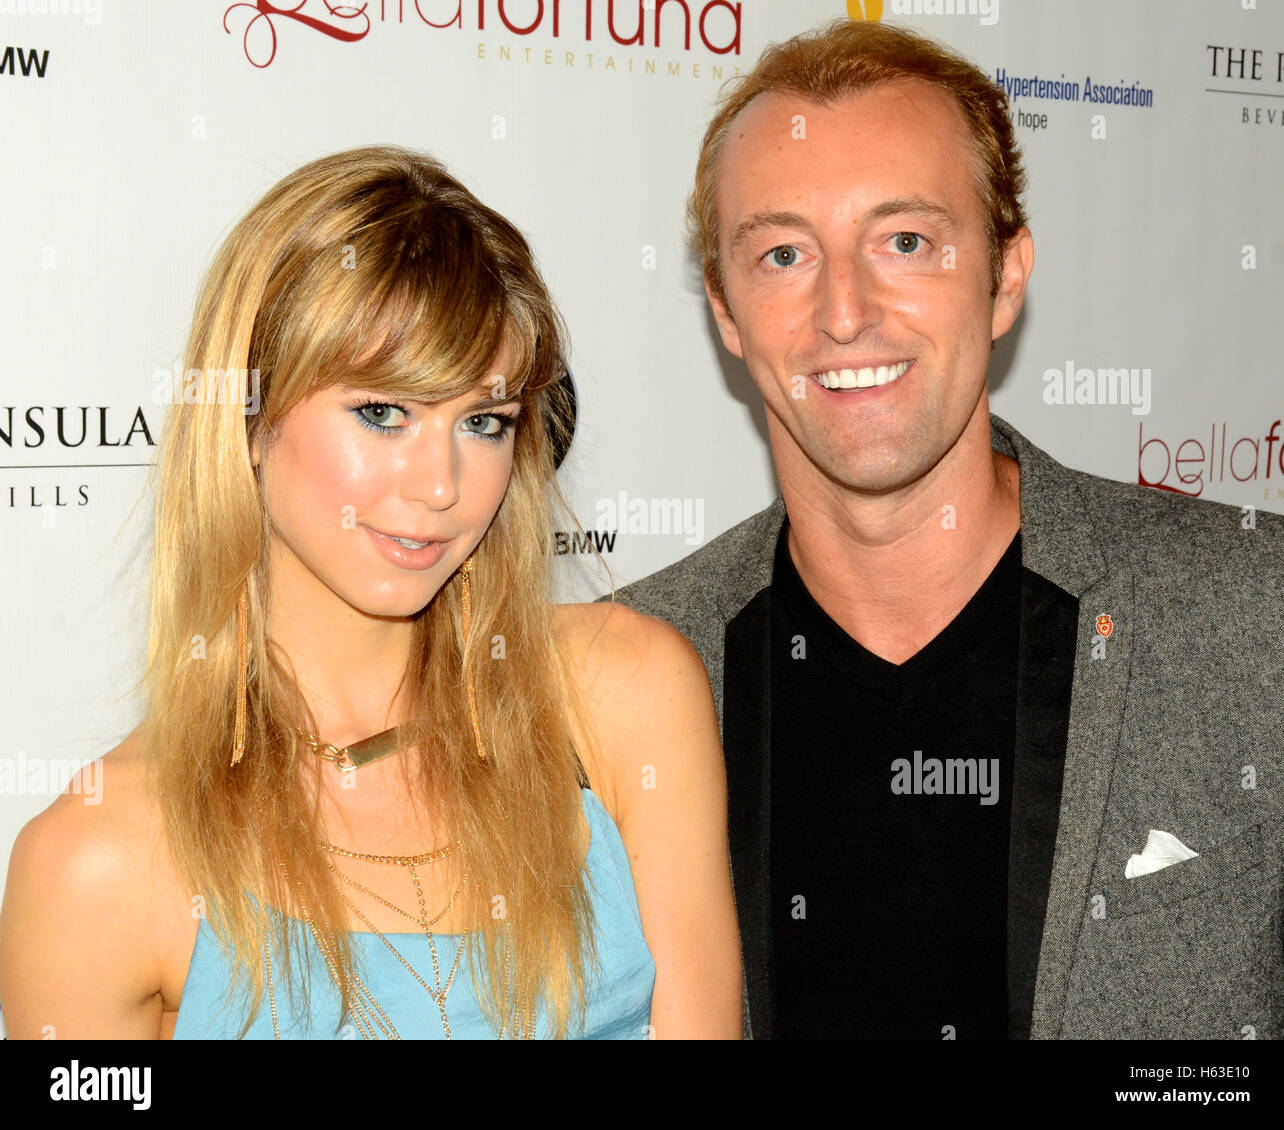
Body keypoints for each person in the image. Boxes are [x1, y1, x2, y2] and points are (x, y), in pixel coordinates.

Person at [609, 19, 1284, 1039]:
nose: (844, 310)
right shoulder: (635, 672)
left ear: (1005, 276)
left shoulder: (1261, 611)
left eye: (905, 242)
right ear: (723, 309)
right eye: (783, 252)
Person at [0, 145, 741, 1040]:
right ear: (246, 418)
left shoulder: (624, 695)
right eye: (383, 413)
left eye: (484, 421)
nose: (441, 483)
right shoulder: (96, 861)